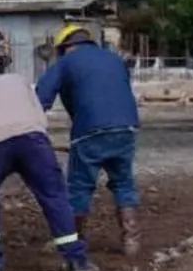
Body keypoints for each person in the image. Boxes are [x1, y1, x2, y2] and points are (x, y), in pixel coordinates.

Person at [0, 69, 98, 271]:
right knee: (54, 197)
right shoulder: (18, 80)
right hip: (34, 139)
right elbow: (39, 116)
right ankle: (77, 261)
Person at [36, 25, 143, 255]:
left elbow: (41, 99)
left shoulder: (66, 63)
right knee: (124, 182)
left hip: (90, 130)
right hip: (126, 127)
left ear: (65, 48)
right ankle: (131, 241)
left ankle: (71, 240)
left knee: (80, 186)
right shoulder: (114, 59)